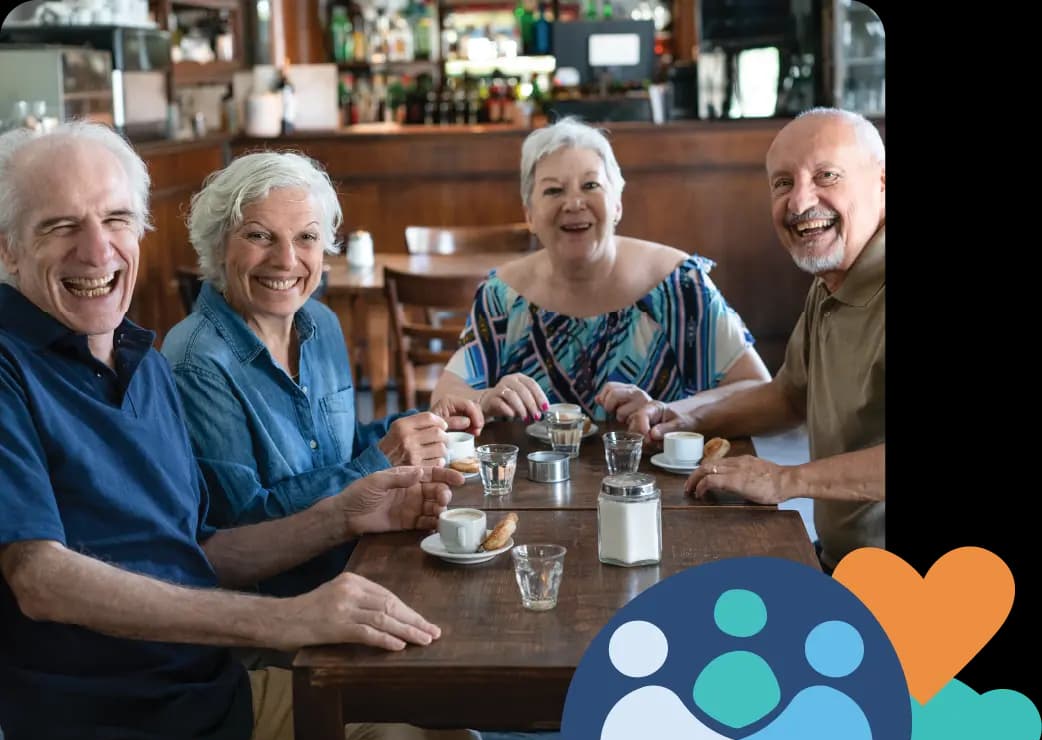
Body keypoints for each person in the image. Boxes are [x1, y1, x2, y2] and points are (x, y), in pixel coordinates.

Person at [0, 121, 480, 740]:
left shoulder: (144, 362)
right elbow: (39, 578)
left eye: (116, 219)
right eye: (61, 225)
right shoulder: (12, 369)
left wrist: (348, 512)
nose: (97, 249)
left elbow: (206, 549)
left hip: (207, 693)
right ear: (8, 248)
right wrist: (284, 619)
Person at [161, 150, 484, 600]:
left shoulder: (321, 323)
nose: (286, 259)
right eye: (260, 236)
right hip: (285, 608)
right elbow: (244, 526)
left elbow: (338, 449)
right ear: (218, 244)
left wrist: (427, 424)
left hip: (359, 563)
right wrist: (382, 460)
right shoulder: (197, 360)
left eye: (306, 237)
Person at [628, 108, 885, 574]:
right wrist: (682, 415)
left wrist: (787, 479)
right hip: (835, 563)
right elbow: (789, 395)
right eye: (783, 183)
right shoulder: (832, 280)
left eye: (827, 176)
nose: (799, 201)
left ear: (882, 184)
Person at [430, 116, 770, 424]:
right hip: (529, 490)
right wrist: (485, 399)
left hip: (661, 488)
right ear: (530, 215)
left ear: (618, 203)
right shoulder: (501, 297)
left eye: (591, 185)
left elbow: (756, 388)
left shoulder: (679, 285)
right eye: (553, 190)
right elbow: (443, 400)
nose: (574, 203)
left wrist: (671, 410)